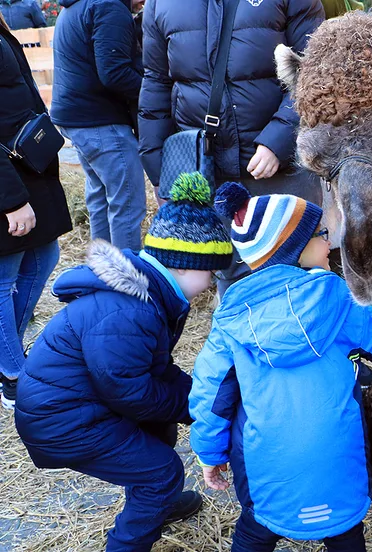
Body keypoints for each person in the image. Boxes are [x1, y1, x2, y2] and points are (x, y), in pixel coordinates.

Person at [190, 183, 372, 552]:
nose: (329, 239)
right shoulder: (339, 300)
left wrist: (209, 453)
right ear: (294, 249)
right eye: (320, 234)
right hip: (337, 464)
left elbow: (209, 392)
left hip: (267, 469)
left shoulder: (231, 318)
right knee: (345, 534)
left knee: (255, 532)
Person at [14, 173, 232, 552]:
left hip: (83, 403)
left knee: (159, 429)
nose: (212, 283)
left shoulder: (151, 296)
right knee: (163, 471)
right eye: (210, 273)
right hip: (63, 421)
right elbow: (130, 392)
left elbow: (153, 372)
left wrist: (204, 399)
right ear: (183, 265)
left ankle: (154, 501)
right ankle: (130, 538)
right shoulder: (129, 312)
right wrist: (194, 407)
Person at [139, 0, 326, 296]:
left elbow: (314, 68)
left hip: (279, 168)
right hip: (208, 166)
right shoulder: (160, 4)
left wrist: (279, 138)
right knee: (233, 274)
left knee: (298, 266)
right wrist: (159, 170)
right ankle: (244, 338)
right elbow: (156, 81)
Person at [0, 12, 71, 409]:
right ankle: (13, 376)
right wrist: (10, 200)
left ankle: (8, 354)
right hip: (8, 175)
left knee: (45, 254)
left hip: (27, 164)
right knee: (4, 277)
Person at [51, 0, 146, 251]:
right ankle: (125, 281)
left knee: (102, 199)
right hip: (101, 121)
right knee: (127, 205)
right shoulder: (108, 6)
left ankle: (104, 273)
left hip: (79, 119)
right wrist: (155, 91)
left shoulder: (78, 6)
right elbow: (115, 73)